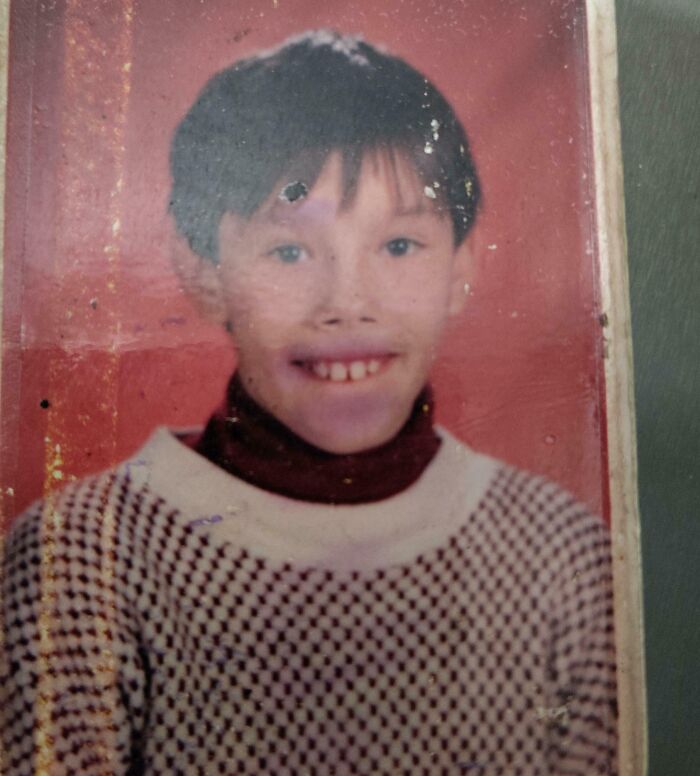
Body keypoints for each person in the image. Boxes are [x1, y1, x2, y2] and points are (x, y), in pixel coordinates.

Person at [2, 30, 617, 775]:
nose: (347, 304)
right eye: (289, 252)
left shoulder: (563, 560)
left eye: (398, 247)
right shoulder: (84, 556)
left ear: (461, 269)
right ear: (200, 270)